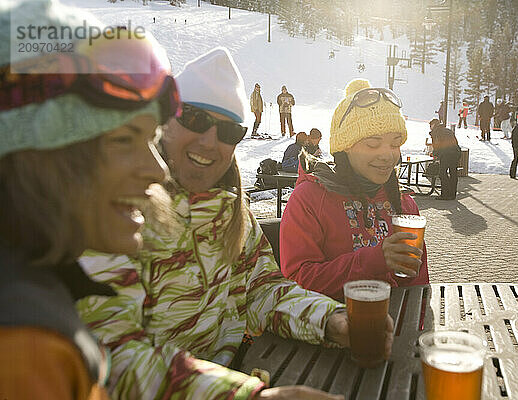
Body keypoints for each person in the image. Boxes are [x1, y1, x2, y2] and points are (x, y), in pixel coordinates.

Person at [77, 48, 384, 400]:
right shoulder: (119, 214)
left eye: (228, 130)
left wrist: (332, 321)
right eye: (194, 118)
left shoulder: (232, 213)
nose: (209, 141)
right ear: (164, 122)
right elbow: (112, 356)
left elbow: (263, 290)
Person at [0, 1, 181, 398]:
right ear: (32, 155)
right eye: (122, 140)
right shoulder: (25, 347)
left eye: (151, 140)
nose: (158, 172)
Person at [279, 79, 429, 302]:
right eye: (373, 144)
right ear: (344, 147)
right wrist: (373, 261)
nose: (388, 155)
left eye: (395, 143)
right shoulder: (310, 198)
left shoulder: (403, 203)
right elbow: (297, 281)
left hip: (396, 330)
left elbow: (418, 288)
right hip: (326, 331)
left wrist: (416, 330)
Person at [429, 119, 462, 200]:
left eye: (431, 125)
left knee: (442, 173)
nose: (430, 128)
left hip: (447, 154)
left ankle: (445, 194)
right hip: (456, 152)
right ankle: (452, 194)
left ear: (434, 125)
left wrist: (434, 153)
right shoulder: (447, 130)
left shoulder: (436, 132)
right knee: (453, 173)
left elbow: (438, 145)